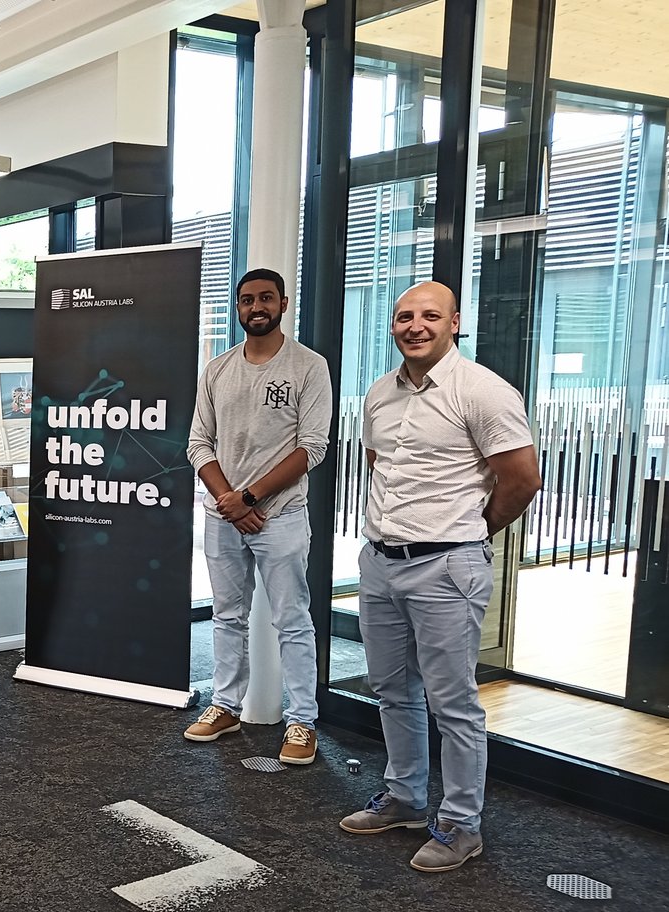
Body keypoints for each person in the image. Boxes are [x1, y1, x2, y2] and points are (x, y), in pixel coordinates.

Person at [339, 281, 541, 872]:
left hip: (446, 567)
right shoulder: (380, 394)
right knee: (391, 689)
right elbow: (384, 469)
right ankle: (404, 797)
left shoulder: (482, 391)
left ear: (456, 323)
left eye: (430, 315)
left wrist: (472, 532)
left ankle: (460, 822)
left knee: (452, 703)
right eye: (405, 316)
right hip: (380, 563)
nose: (415, 326)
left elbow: (522, 479)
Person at [183, 269, 332, 766]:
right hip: (224, 514)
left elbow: (312, 447)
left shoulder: (308, 367)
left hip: (281, 516)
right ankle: (225, 705)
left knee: (292, 619)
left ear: (284, 303)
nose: (256, 306)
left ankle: (302, 721)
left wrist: (251, 498)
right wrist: (230, 499)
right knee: (227, 617)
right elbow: (197, 444)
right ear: (238, 307)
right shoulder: (218, 369)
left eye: (266, 298)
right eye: (247, 300)